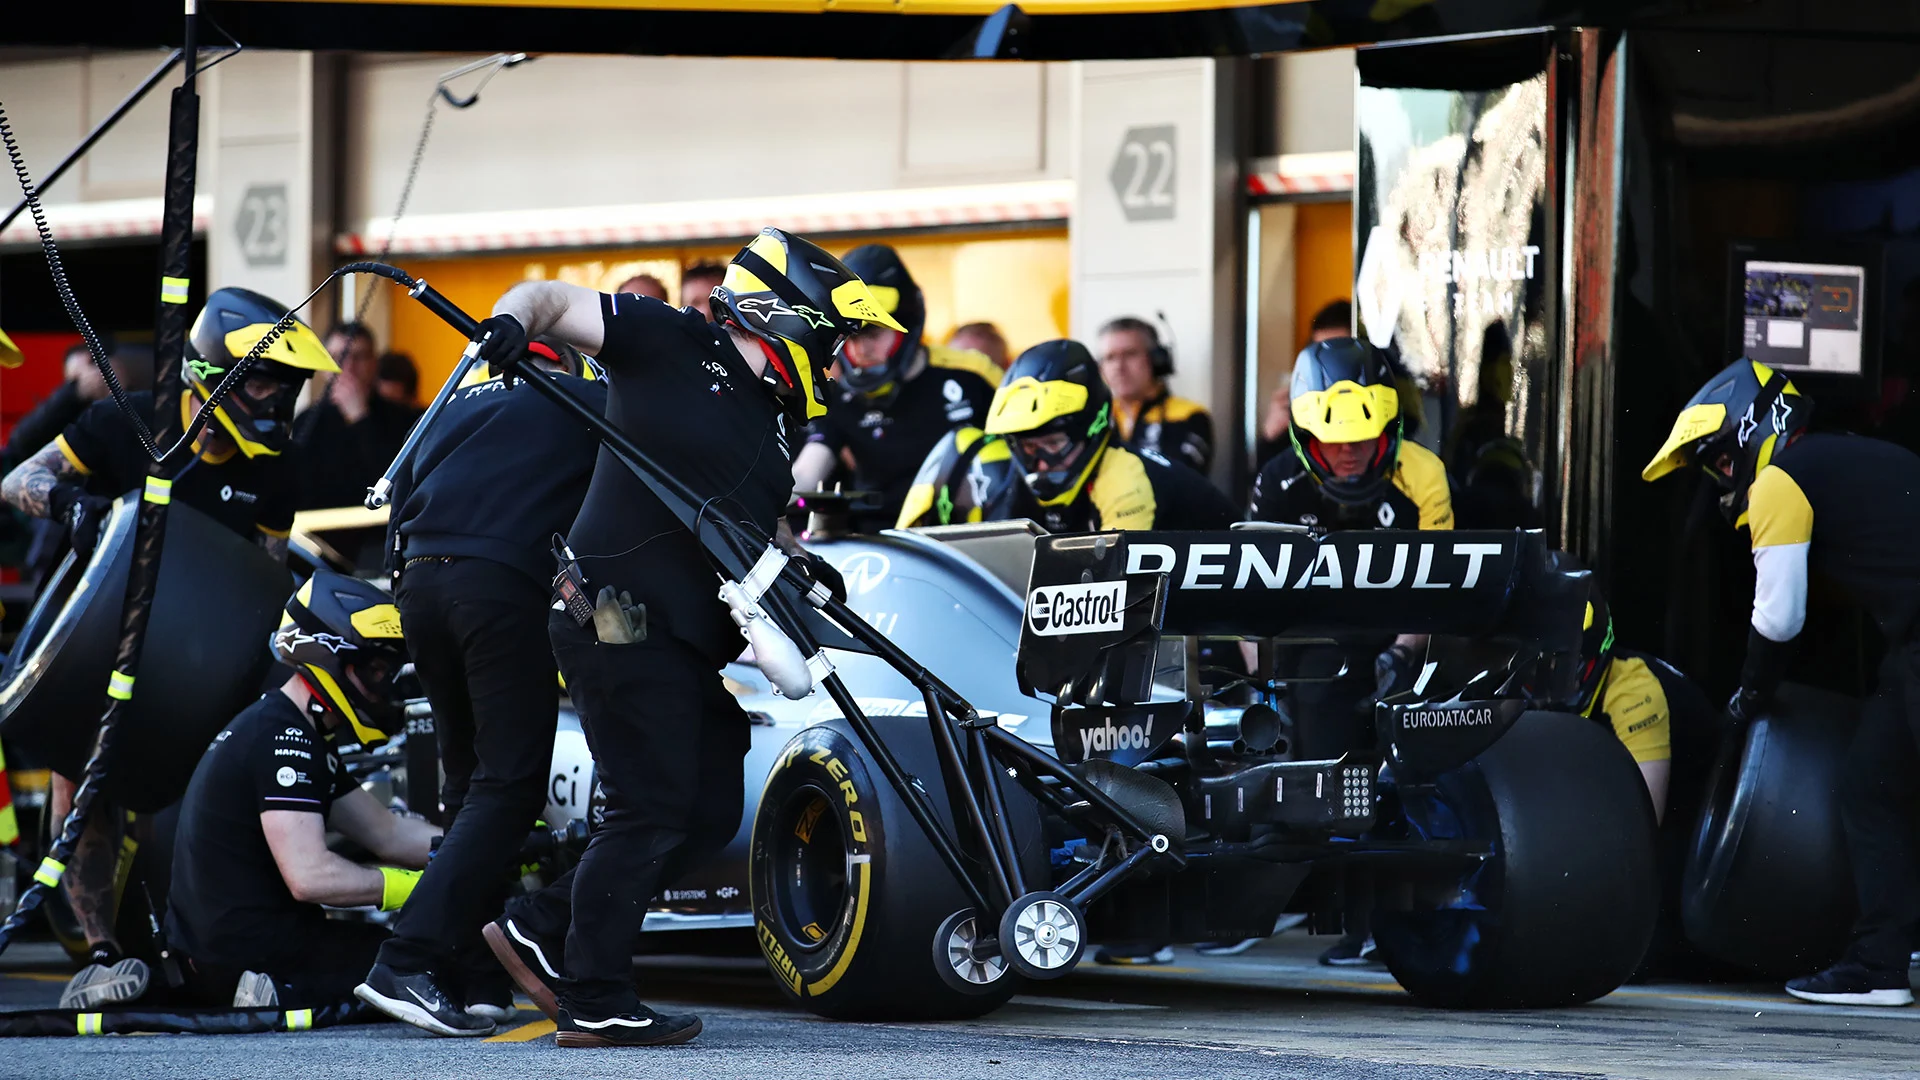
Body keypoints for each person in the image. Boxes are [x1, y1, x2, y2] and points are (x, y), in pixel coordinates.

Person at [463, 227, 899, 1047]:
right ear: (789, 316)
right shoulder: (670, 338)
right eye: (834, 336)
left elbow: (754, 527)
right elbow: (547, 298)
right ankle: (595, 995)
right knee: (652, 803)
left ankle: (539, 927)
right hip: (614, 616)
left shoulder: (774, 421)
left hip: (684, 642)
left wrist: (801, 567)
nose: (839, 356)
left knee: (707, 807)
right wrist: (511, 322)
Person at [1, 288, 330, 1010]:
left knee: (202, 789)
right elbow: (19, 479)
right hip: (96, 643)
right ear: (212, 373)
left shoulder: (278, 466)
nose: (280, 398)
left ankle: (203, 953)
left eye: (290, 384)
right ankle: (101, 957)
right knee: (79, 778)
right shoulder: (129, 420)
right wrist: (71, 506)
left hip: (194, 661)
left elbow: (266, 580)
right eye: (266, 382)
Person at [1642, 358, 1920, 1007]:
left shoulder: (1780, 481)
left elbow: (1779, 617)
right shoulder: (1842, 458)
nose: (1724, 480)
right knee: (1871, 784)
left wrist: (1749, 695)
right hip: (1909, 645)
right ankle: (1880, 962)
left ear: (1753, 429)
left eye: (1722, 461)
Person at [354, 337, 609, 1037]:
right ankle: (406, 958)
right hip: (496, 585)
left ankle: (475, 976)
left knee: (468, 786)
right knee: (509, 787)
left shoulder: (451, 403)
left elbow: (398, 502)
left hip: (419, 586)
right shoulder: (587, 398)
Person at [1247, 335, 1454, 966]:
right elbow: (1248, 602)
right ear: (1305, 436)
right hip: (1313, 646)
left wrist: (1404, 655)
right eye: (1333, 440)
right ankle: (1335, 914)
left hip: (1403, 636)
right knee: (1324, 765)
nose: (1347, 453)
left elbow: (1444, 588)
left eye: (1362, 440)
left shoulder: (1424, 475)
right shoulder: (1277, 484)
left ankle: (1402, 917)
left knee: (1409, 771)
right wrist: (1267, 689)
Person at [167, 572, 439, 1009]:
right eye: (375, 670)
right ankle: (268, 991)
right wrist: (421, 887)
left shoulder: (294, 730)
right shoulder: (283, 738)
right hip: (249, 956)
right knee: (426, 959)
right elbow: (310, 876)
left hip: (228, 948)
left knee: (396, 947)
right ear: (329, 658)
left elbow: (387, 833)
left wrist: (478, 852)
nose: (384, 686)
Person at [789, 244, 1000, 530]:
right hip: (881, 545)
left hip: (965, 537)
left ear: (907, 324)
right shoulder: (837, 396)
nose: (861, 349)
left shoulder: (972, 374)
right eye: (852, 335)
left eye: (873, 333)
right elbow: (806, 473)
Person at [949, 338, 1237, 534]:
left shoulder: (1124, 479)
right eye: (1028, 448)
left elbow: (1108, 596)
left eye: (1053, 444)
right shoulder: (1019, 479)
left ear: (1091, 429)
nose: (1042, 463)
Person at [294, 322, 422, 510]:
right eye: (338, 357)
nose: (348, 367)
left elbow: (397, 483)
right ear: (323, 365)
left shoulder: (403, 417)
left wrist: (361, 418)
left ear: (374, 363)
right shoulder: (307, 421)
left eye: (359, 357)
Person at [1095, 316, 1213, 473]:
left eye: (1130, 354)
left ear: (1156, 359)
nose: (1119, 366)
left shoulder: (1188, 416)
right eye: (1110, 357)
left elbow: (1181, 479)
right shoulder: (1096, 415)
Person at [1256, 300, 1349, 469]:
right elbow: (1269, 476)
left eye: (1337, 354)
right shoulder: (1303, 403)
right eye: (1320, 353)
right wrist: (1271, 436)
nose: (1327, 364)